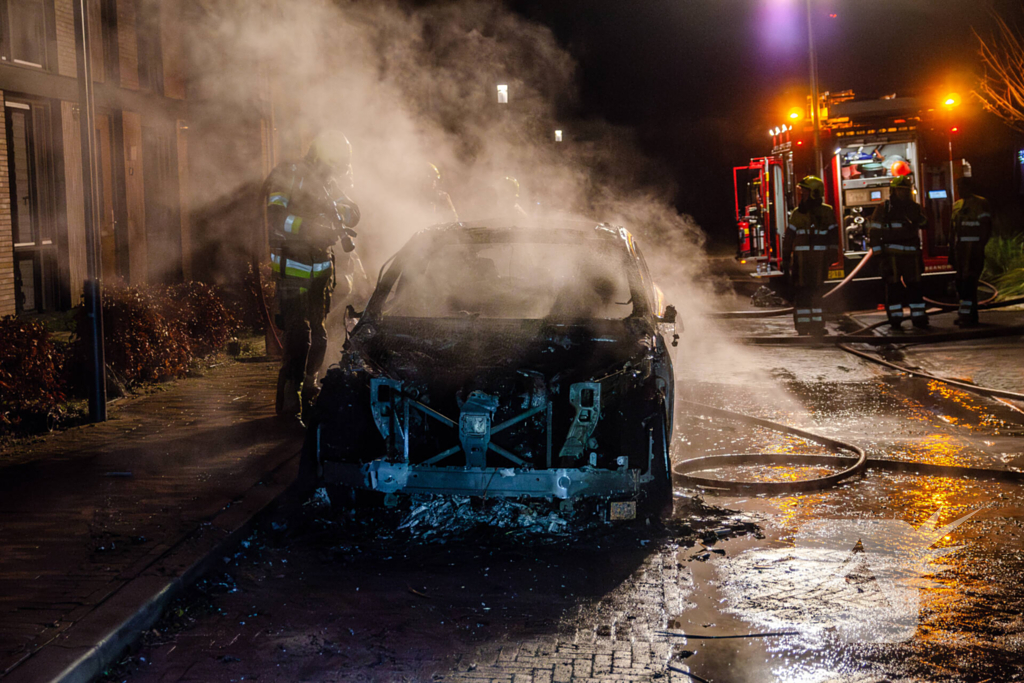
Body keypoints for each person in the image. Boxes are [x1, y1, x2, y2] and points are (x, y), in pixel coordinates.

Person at [265, 130, 361, 419]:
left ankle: (309, 389)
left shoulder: (328, 183)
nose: (336, 171)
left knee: (318, 335)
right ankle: (289, 403)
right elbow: (275, 215)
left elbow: (352, 211)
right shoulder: (289, 174)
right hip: (292, 267)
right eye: (334, 165)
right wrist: (308, 228)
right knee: (299, 335)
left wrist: (338, 218)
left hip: (321, 268)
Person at [868, 175, 929, 329]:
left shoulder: (914, 208)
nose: (902, 194)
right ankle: (895, 320)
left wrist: (917, 217)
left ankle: (919, 318)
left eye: (905, 191)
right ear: (893, 191)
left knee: (915, 288)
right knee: (894, 288)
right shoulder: (884, 208)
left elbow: (925, 224)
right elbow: (874, 234)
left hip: (912, 257)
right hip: (891, 257)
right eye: (899, 190)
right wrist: (879, 257)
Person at [782, 176, 838, 336]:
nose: (802, 196)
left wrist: (832, 254)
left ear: (814, 193)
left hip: (819, 261)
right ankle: (803, 326)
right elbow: (789, 238)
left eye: (805, 192)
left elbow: (834, 236)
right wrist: (786, 259)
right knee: (802, 294)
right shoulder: (797, 214)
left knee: (816, 294)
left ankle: (817, 326)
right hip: (801, 262)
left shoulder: (826, 212)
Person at [949, 177, 992, 327]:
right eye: (958, 187)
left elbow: (986, 227)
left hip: (973, 251)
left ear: (969, 187)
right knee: (961, 284)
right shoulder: (957, 205)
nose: (960, 190)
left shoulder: (981, 203)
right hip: (960, 252)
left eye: (962, 187)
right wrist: (951, 252)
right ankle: (967, 314)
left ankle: (968, 317)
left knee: (969, 284)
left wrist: (980, 246)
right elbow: (952, 231)